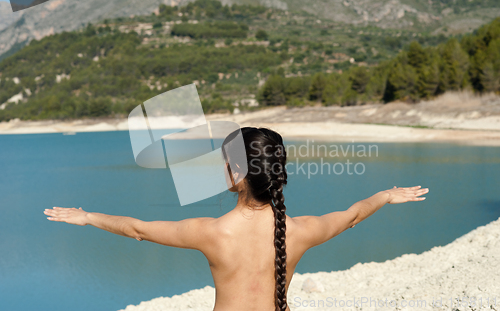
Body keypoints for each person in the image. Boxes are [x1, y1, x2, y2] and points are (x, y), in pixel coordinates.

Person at [44, 127, 429, 311]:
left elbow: (137, 229)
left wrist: (89, 216)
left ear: (237, 174)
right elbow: (350, 217)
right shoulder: (300, 231)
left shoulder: (211, 232)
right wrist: (384, 196)